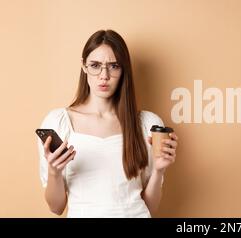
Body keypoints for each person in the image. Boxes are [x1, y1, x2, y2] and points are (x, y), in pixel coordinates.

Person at [37, 29, 178, 218]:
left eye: (114, 66)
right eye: (95, 65)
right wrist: (54, 172)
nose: (104, 75)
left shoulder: (147, 124)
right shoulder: (59, 123)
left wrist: (159, 170)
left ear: (123, 70)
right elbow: (56, 208)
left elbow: (149, 209)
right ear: (84, 67)